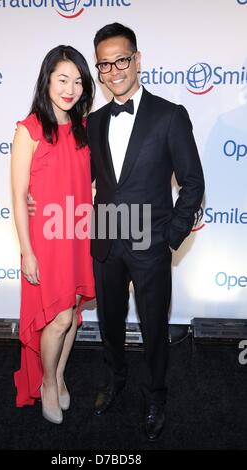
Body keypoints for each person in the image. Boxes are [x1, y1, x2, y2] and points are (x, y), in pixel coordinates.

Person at [87, 23, 205, 441]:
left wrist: (169, 238)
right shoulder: (94, 121)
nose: (114, 70)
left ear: (137, 60)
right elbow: (87, 180)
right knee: (109, 320)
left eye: (122, 59)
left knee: (155, 324)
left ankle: (157, 394)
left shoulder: (169, 115)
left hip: (150, 243)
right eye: (105, 64)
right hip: (105, 241)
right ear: (98, 70)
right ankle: (115, 377)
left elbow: (193, 184)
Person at [11, 45, 95, 424]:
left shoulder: (83, 128)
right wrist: (26, 251)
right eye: (63, 79)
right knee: (58, 318)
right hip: (46, 241)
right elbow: (17, 195)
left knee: (73, 314)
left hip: (78, 232)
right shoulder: (28, 129)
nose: (70, 88)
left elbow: (87, 181)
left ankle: (60, 376)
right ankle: (46, 383)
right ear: (47, 79)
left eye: (78, 81)